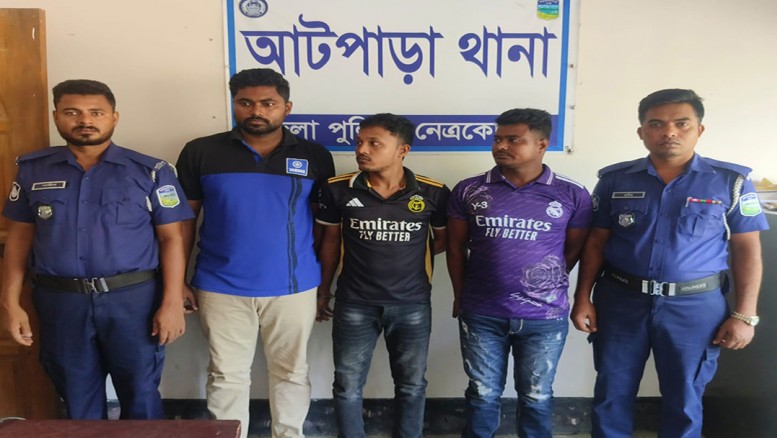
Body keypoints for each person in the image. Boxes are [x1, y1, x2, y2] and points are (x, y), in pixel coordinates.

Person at [570, 88, 769, 438]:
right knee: (612, 393)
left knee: (685, 398)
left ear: (699, 129)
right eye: (656, 124)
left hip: (695, 306)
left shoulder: (732, 182)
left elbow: (747, 250)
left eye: (682, 123)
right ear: (641, 131)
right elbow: (596, 242)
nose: (669, 132)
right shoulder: (614, 180)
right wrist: (582, 296)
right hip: (622, 300)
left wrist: (744, 315)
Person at [0, 79, 193, 419]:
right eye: (72, 112)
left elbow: (172, 239)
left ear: (114, 117)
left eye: (96, 113)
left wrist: (172, 302)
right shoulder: (33, 170)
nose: (85, 120)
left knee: (141, 394)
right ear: (56, 116)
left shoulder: (149, 172)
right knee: (76, 398)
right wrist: (10, 303)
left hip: (133, 301)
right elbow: (18, 238)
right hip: (61, 302)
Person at [176, 68, 335, 438]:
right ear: (234, 104)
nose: (256, 111)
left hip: (294, 286)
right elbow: (183, 223)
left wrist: (321, 283)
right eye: (245, 103)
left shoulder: (314, 155)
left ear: (287, 107)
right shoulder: (201, 152)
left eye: (268, 103)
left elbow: (323, 225)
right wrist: (178, 281)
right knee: (225, 375)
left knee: (291, 372)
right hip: (220, 285)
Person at [447, 108, 592, 437]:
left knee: (536, 396)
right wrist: (459, 295)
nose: (501, 146)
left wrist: (545, 282)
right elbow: (456, 248)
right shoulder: (469, 189)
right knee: (482, 393)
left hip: (544, 316)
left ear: (542, 144)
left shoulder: (572, 193)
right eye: (498, 139)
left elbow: (573, 250)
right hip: (482, 312)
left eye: (514, 140)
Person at [316, 113, 450, 438]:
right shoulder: (337, 189)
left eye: (374, 143)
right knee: (347, 383)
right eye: (359, 142)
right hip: (354, 303)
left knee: (412, 384)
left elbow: (443, 241)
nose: (362, 150)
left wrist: (400, 256)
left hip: (412, 304)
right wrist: (323, 291)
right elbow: (330, 242)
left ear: (402, 150)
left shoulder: (433, 193)